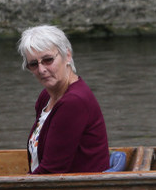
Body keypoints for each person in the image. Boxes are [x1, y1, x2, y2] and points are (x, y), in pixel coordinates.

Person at [18, 25, 110, 174]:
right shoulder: (46, 96)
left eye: (48, 60)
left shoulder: (73, 102)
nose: (41, 70)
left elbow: (52, 170)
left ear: (67, 55)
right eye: (34, 64)